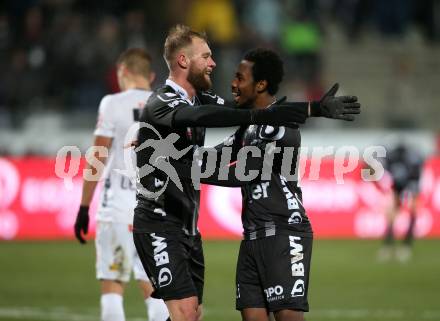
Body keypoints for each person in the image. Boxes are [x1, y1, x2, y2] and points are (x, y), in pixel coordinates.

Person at [133, 25, 360, 321]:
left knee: (192, 314)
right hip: (160, 221)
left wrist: (313, 108)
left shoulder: (201, 101)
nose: (214, 63)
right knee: (186, 312)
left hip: (192, 227)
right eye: (206, 56)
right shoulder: (161, 101)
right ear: (184, 61)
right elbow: (204, 119)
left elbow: (245, 115)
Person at [74, 48, 169, 321]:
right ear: (151, 76)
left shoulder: (111, 103)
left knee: (113, 287)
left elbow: (98, 159)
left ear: (122, 72)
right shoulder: (164, 103)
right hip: (154, 210)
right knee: (154, 289)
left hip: (116, 208)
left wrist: (83, 207)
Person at [378, 142, 423, 262]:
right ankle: (389, 244)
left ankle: (406, 244)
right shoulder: (390, 160)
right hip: (397, 185)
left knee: (412, 211)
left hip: (411, 182)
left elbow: (415, 177)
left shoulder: (411, 162)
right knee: (391, 212)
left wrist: (412, 191)